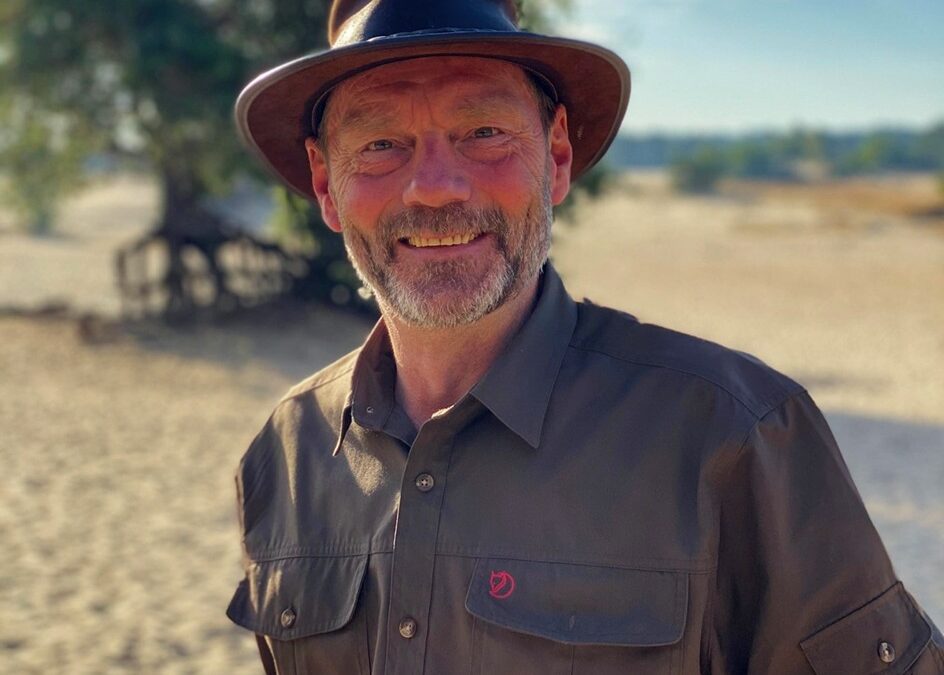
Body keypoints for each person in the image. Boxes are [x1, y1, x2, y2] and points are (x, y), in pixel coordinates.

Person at [225, 0, 944, 672]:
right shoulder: (284, 453)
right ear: (326, 183)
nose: (436, 187)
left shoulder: (736, 433)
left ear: (558, 156)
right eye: (381, 143)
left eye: (484, 133)